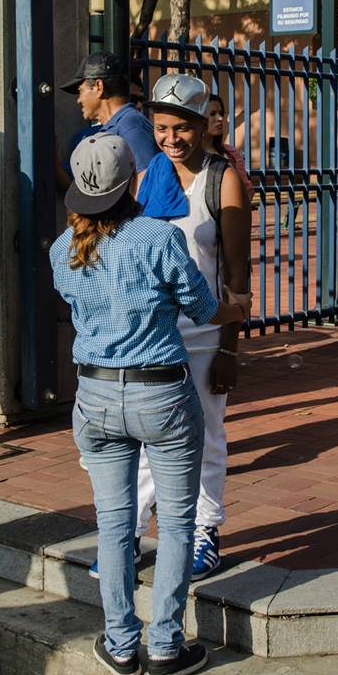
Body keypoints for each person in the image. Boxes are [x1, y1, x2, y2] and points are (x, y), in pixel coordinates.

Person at [50, 133, 248, 675]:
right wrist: (234, 311)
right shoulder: (157, 237)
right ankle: (164, 645)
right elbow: (204, 308)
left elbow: (81, 303)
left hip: (93, 397)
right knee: (178, 522)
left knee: (114, 526)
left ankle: (119, 644)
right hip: (159, 393)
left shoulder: (60, 248)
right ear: (133, 179)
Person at [135, 73, 251, 580]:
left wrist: (228, 347)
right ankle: (132, 534)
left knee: (206, 435)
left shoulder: (222, 179)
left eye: (182, 128)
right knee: (141, 435)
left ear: (202, 126)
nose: (171, 139)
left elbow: (237, 273)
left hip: (205, 336)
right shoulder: (148, 177)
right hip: (152, 334)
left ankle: (206, 532)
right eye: (162, 128)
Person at [60, 53, 157, 173]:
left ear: (98, 87)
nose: (78, 100)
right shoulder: (118, 125)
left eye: (80, 91)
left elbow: (147, 182)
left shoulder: (131, 126)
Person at [203, 94, 254, 204]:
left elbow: (247, 188)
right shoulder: (188, 154)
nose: (220, 118)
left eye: (221, 113)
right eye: (213, 114)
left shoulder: (231, 153)